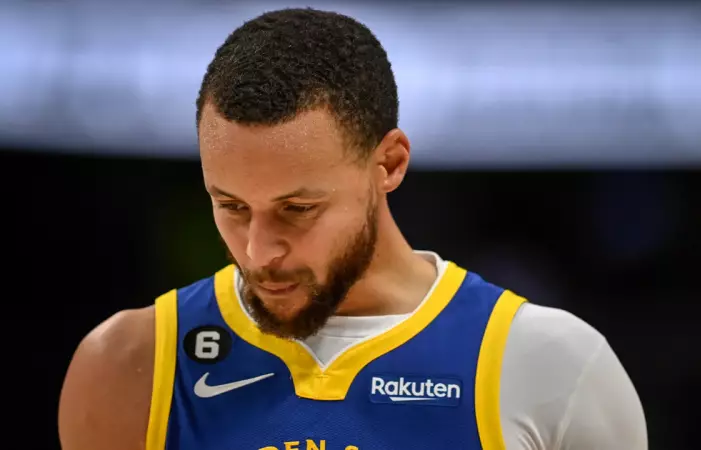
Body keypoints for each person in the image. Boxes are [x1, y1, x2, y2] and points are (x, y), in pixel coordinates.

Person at [58, 8, 647, 450]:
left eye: (297, 209)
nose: (258, 250)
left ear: (388, 164)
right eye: (231, 206)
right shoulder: (128, 366)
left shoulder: (552, 368)